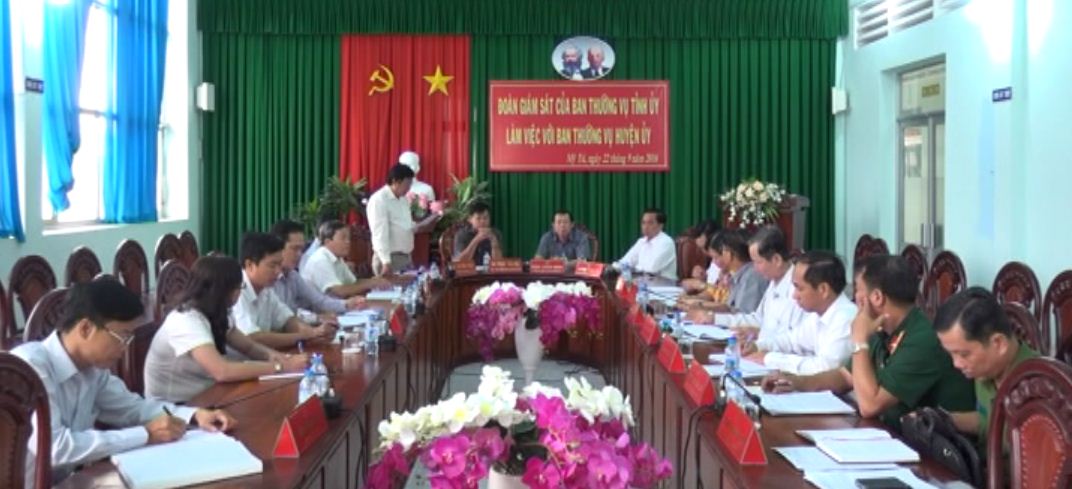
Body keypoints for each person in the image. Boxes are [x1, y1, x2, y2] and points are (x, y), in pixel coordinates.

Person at [12, 278, 236, 488]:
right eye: (122, 336)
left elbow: (132, 408)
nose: (126, 347)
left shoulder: (93, 369)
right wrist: (145, 434)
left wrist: (194, 415)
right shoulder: (30, 368)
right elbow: (54, 448)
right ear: (86, 329)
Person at [762, 255, 975, 430]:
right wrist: (796, 382)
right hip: (896, 435)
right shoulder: (882, 327)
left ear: (877, 298)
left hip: (935, 453)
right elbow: (844, 376)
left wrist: (859, 341)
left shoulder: (922, 338)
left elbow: (870, 406)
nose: (854, 297)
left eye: (857, 290)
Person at [144, 256, 309, 403]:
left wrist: (280, 358)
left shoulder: (217, 311)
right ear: (221, 290)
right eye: (238, 287)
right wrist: (281, 367)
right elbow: (222, 371)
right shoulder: (186, 320)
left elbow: (249, 347)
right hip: (174, 409)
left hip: (206, 394)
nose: (239, 293)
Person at [933, 287, 1040, 444]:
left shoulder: (1039, 387)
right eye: (951, 354)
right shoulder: (986, 370)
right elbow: (987, 420)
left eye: (964, 354)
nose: (956, 364)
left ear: (998, 343)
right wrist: (945, 419)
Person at [749, 250, 856, 374]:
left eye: (799, 288)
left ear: (823, 290)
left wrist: (770, 359)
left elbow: (826, 368)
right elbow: (792, 340)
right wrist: (757, 346)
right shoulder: (819, 313)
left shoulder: (845, 318)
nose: (794, 296)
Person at [236, 232, 335, 349]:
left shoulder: (266, 291)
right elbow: (253, 337)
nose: (278, 271)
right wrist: (305, 336)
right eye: (272, 265)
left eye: (279, 264)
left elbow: (288, 320)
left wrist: (315, 333)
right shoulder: (236, 291)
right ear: (250, 265)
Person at [271, 219, 366, 320]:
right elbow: (283, 318)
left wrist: (347, 304)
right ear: (278, 248)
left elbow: (319, 300)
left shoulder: (293, 276)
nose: (299, 254)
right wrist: (317, 318)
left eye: (301, 249)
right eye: (294, 249)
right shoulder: (269, 280)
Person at [714, 226, 797, 335]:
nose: (755, 268)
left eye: (758, 262)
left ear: (776, 260)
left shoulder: (798, 287)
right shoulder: (774, 281)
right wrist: (715, 319)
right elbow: (758, 319)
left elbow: (794, 337)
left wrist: (760, 334)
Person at [367, 164, 440, 275]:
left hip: (405, 257)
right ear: (395, 181)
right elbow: (379, 234)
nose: (408, 188)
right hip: (389, 258)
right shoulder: (379, 200)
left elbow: (407, 226)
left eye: (410, 185)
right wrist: (386, 262)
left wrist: (431, 219)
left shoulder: (403, 200)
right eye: (407, 184)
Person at [302, 220, 390, 298]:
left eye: (348, 238)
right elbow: (339, 291)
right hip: (320, 310)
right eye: (343, 238)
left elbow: (353, 283)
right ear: (328, 242)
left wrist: (374, 281)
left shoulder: (337, 257)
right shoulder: (321, 260)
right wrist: (370, 284)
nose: (348, 242)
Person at [615, 208, 677, 281]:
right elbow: (626, 261)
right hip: (642, 282)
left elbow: (652, 269)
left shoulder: (666, 242)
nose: (645, 226)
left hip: (662, 285)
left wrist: (630, 268)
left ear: (660, 225)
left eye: (650, 223)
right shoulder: (641, 241)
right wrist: (612, 268)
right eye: (643, 223)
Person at [680, 219, 721, 293]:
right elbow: (711, 281)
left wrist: (700, 285)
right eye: (701, 249)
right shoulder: (713, 260)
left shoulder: (724, 261)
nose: (705, 253)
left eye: (706, 248)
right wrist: (703, 275)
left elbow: (723, 293)